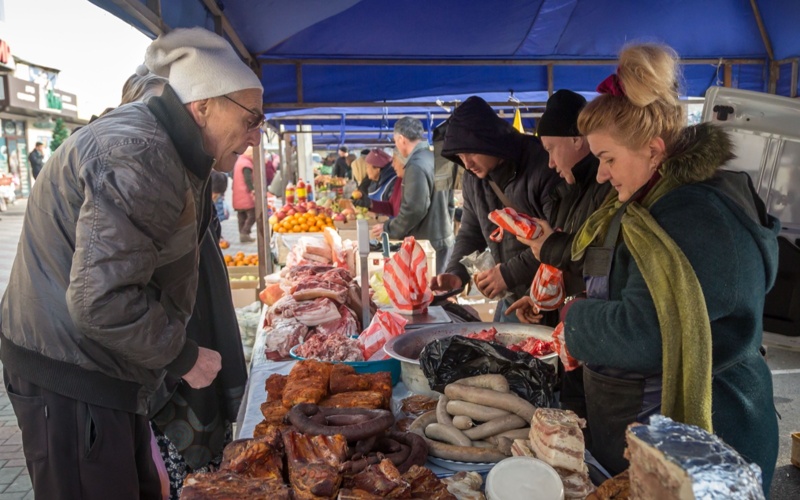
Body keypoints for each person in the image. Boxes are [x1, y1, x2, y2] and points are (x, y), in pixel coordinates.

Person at [0, 27, 263, 499]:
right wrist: (183, 356)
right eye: (251, 119)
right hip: (72, 372)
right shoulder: (140, 154)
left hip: (95, 367)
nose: (255, 139)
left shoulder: (170, 146)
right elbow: (99, 300)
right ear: (203, 105)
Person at [562, 43, 779, 494]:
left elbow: (647, 331)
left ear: (654, 150)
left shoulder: (694, 216)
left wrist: (574, 319)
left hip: (715, 437)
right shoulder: (653, 202)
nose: (601, 175)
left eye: (607, 159)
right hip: (662, 431)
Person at [504, 89, 612, 439]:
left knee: (588, 429)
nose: (549, 162)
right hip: (573, 333)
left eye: (551, 149)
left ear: (578, 140)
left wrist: (548, 244)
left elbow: (593, 259)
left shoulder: (604, 186)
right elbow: (566, 263)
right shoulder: (571, 189)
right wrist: (538, 301)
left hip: (594, 339)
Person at [432, 96, 560, 320]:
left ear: (489, 140)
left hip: (549, 294)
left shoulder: (542, 164)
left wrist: (508, 274)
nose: (467, 163)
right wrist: (456, 274)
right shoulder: (474, 178)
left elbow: (558, 239)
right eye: (460, 156)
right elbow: (471, 231)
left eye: (470, 152)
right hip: (511, 294)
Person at [371, 117, 454, 274]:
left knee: (428, 294)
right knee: (441, 290)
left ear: (401, 139)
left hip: (426, 246)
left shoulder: (416, 165)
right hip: (443, 241)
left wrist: (389, 228)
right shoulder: (435, 158)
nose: (396, 144)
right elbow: (450, 204)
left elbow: (414, 209)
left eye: (395, 140)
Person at [353, 148, 398, 213]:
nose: (366, 170)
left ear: (377, 168)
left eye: (368, 167)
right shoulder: (373, 182)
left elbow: (393, 209)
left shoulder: (393, 182)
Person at [232, 146, 257, 243]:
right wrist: (252, 190)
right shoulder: (246, 164)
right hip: (244, 193)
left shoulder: (239, 161)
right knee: (252, 214)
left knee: (241, 215)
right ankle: (245, 232)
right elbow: (248, 179)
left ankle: (242, 235)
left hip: (237, 193)